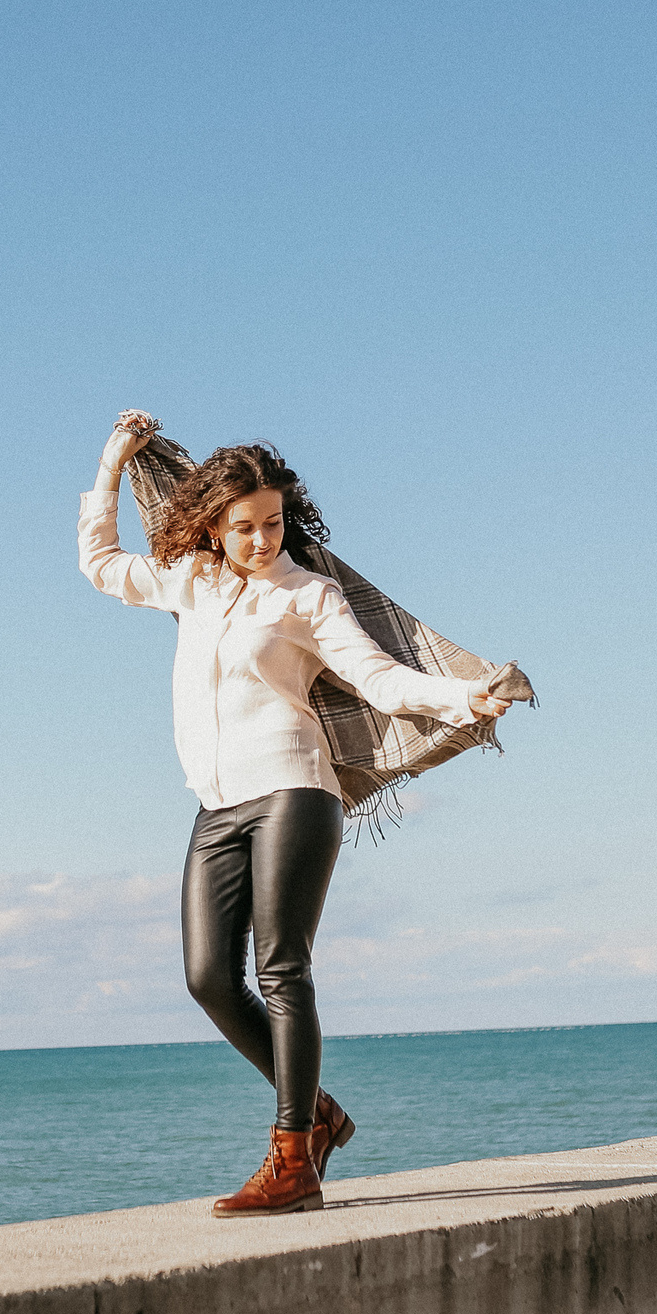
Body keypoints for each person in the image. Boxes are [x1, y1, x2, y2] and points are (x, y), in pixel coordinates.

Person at [80, 410, 517, 1217]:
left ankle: (292, 1159)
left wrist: (466, 694)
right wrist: (111, 463)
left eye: (273, 523)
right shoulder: (192, 581)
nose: (261, 540)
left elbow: (380, 679)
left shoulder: (309, 596)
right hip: (216, 806)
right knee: (209, 977)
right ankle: (317, 1112)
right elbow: (102, 564)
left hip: (293, 790)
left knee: (281, 968)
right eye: (243, 526)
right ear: (213, 525)